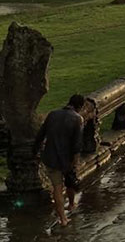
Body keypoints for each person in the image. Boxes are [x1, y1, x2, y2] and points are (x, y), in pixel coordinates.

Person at [33, 94, 85, 226]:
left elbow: (41, 134)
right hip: (67, 158)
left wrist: (35, 150)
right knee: (70, 180)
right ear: (80, 106)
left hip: (51, 156)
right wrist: (75, 162)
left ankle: (63, 219)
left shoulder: (53, 114)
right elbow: (77, 145)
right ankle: (72, 204)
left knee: (57, 187)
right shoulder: (77, 119)